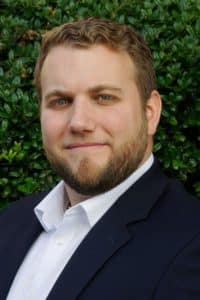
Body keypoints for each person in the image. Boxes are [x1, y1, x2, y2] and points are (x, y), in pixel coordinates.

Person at [0, 18, 200, 300]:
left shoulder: (191, 246)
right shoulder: (10, 223)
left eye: (104, 97)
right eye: (61, 101)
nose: (79, 122)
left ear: (150, 112)